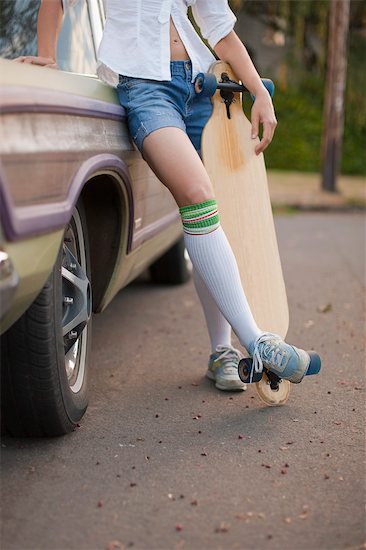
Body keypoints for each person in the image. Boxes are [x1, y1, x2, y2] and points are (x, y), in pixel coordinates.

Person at [17, 0, 320, 391]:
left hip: (200, 89)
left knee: (209, 217)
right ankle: (257, 341)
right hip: (146, 93)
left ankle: (221, 351)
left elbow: (219, 30)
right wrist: (46, 55)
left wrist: (260, 91)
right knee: (197, 194)